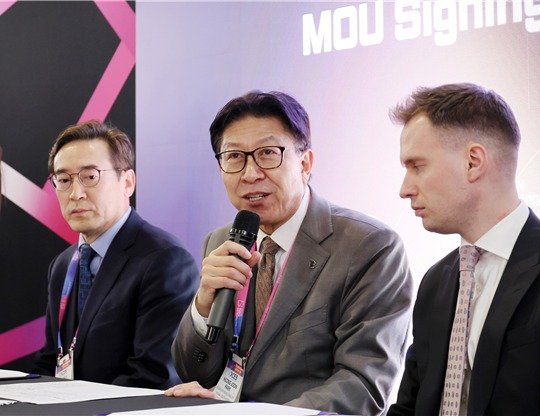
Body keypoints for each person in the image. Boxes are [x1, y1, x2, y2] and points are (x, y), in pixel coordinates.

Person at [166, 91, 413, 415]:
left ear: (305, 163)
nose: (250, 173)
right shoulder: (221, 241)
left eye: (268, 153)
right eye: (234, 156)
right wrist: (202, 306)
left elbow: (362, 385)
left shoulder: (370, 246)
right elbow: (193, 372)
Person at [387, 83, 540, 415]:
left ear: (473, 162)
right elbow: (408, 408)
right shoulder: (435, 282)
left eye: (417, 166)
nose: (405, 189)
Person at [33, 120, 199, 389]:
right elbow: (52, 359)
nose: (75, 193)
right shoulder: (62, 265)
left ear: (128, 182)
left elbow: (153, 375)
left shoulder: (165, 259)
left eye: (90, 177)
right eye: (63, 180)